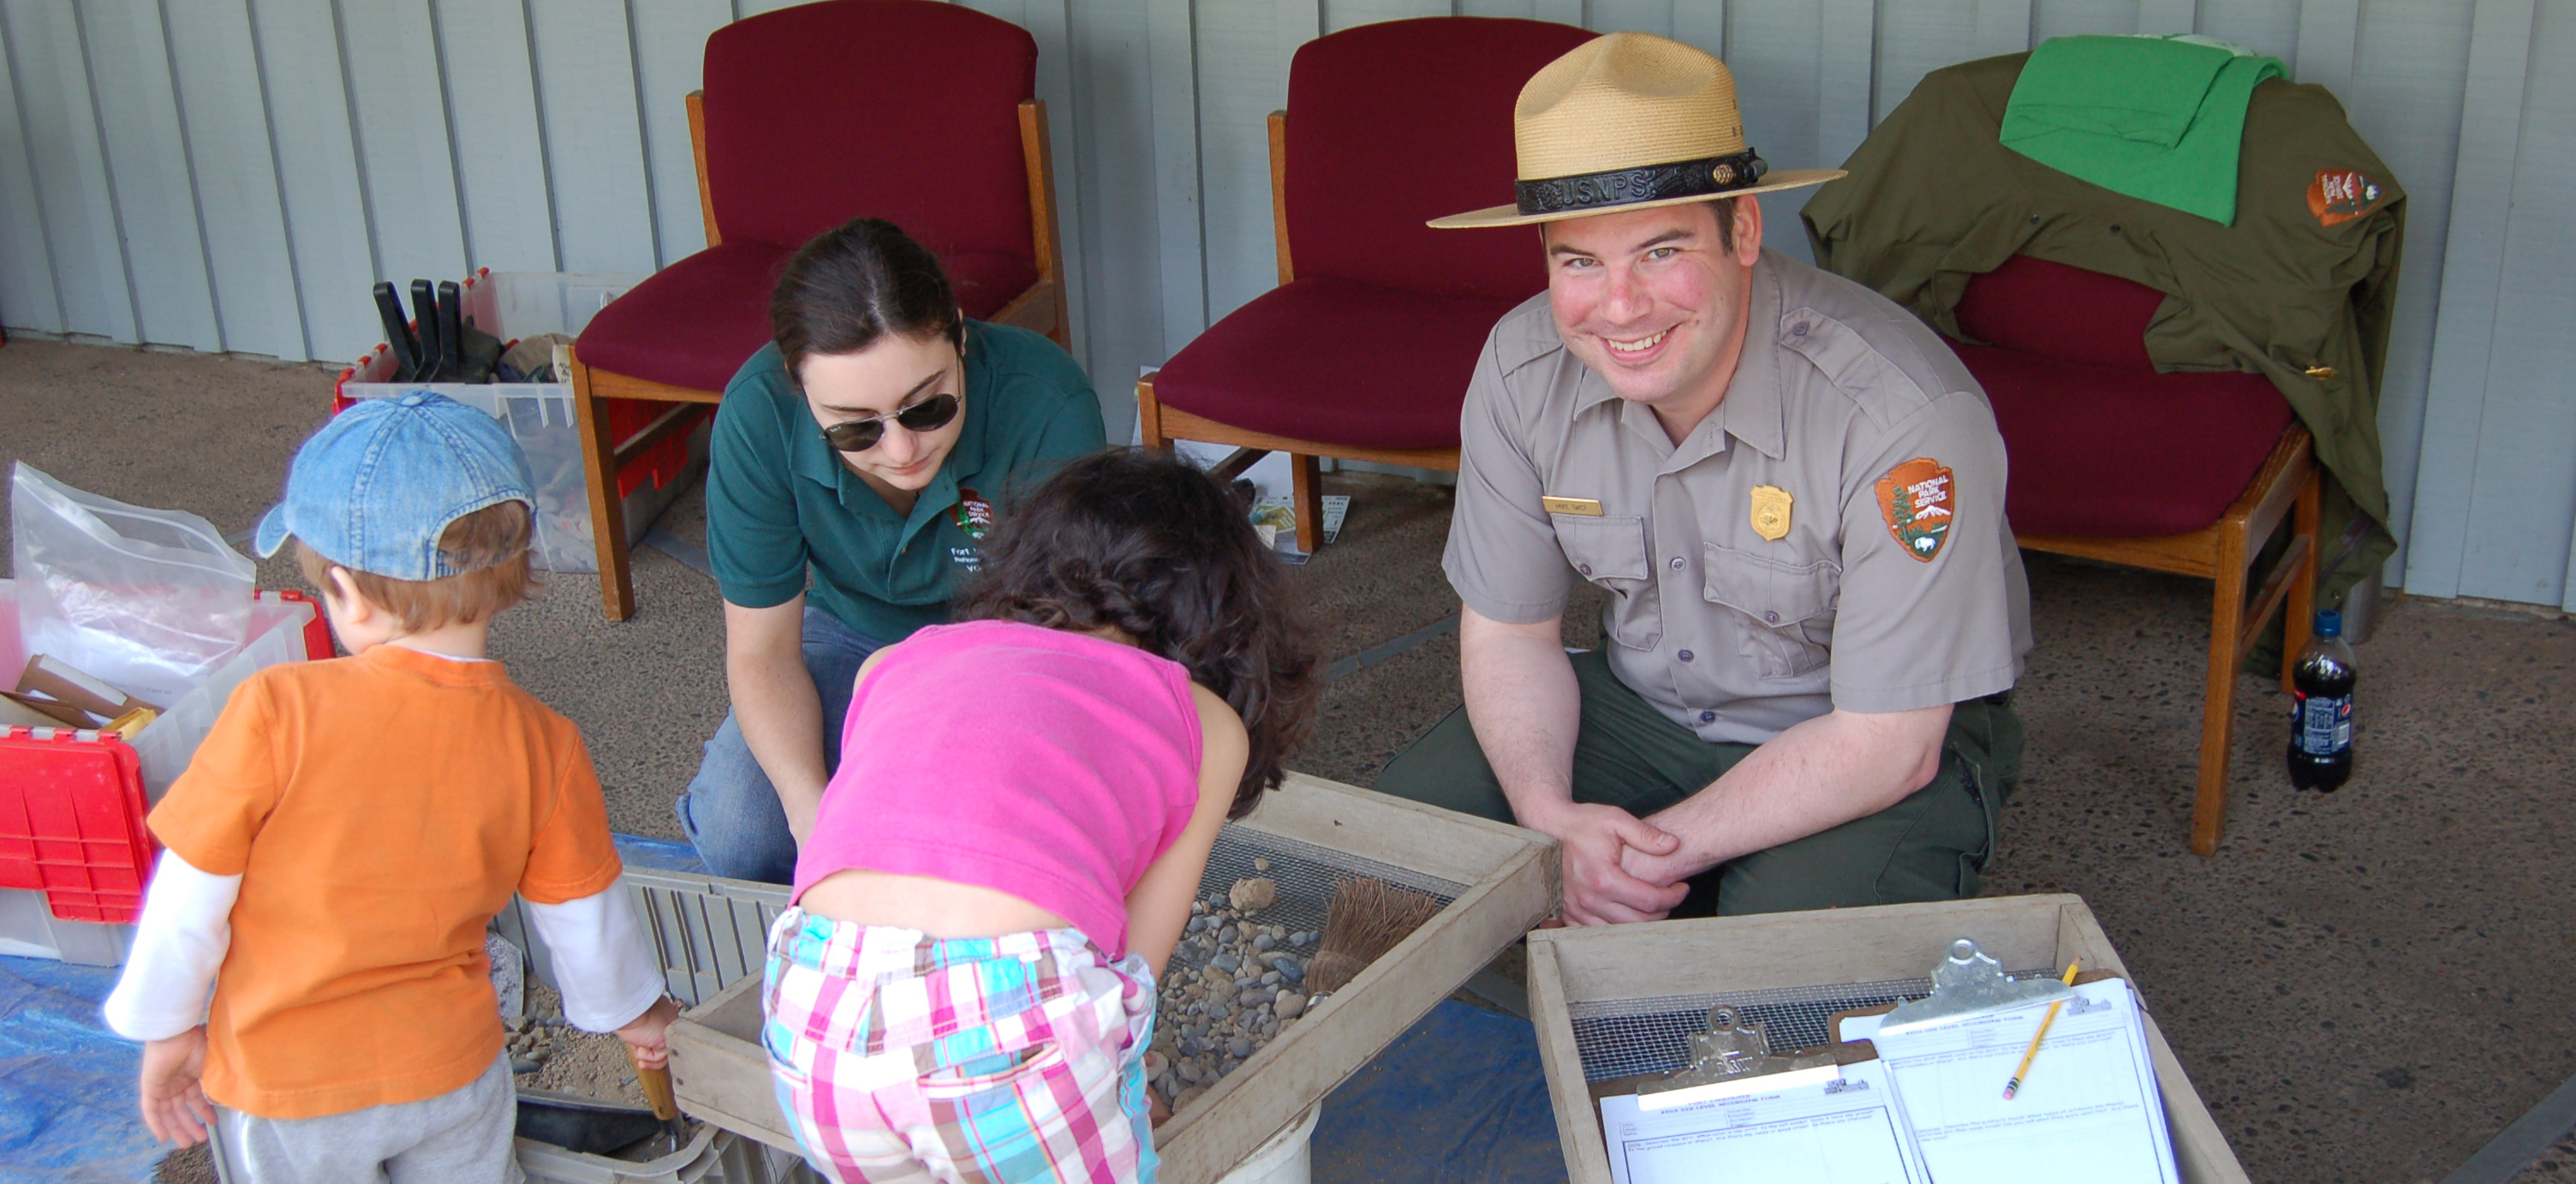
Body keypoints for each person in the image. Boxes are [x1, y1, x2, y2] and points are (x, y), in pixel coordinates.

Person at [1381, 33, 2032, 924]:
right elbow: (1510, 638)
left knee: (1774, 968)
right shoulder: (1520, 367)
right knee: (1395, 857)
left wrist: (1637, 860)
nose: (1619, 307)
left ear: (1744, 230)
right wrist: (1551, 819)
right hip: (1645, 707)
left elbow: (1890, 744)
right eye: (1578, 260)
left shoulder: (1900, 416)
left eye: (1658, 251)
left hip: (1858, 727)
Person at [102, 392, 679, 1181]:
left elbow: (190, 896)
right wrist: (637, 1016)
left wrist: (165, 1028)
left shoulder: (278, 709)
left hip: (288, 1086)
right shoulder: (545, 742)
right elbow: (585, 921)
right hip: (453, 1072)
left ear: (349, 593)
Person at [761, 451, 1321, 1183]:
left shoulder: (895, 662)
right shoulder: (1205, 720)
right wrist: (1108, 1096)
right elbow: (1131, 971)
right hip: (1009, 1026)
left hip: (812, 1008)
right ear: (1224, 621)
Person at [683, 218, 1109, 882]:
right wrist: (813, 819)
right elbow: (762, 650)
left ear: (961, 337)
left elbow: (1063, 645)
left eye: (926, 408)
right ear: (799, 391)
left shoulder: (1047, 402)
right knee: (746, 836)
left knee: (985, 841)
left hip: (1003, 640)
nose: (902, 451)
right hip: (847, 627)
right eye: (855, 429)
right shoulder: (755, 414)